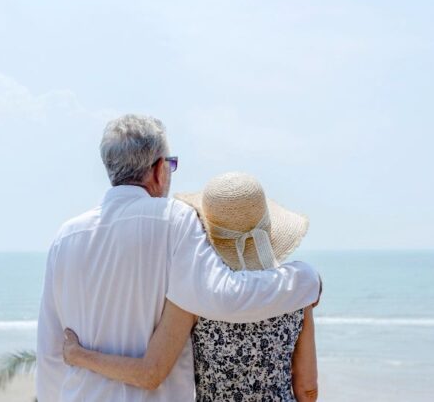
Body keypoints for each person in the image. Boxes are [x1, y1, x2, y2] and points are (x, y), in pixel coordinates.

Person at [36, 115, 321, 401]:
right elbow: (223, 295)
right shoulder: (173, 219)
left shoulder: (65, 237)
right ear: (159, 169)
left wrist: (79, 358)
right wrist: (304, 280)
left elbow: (50, 353)